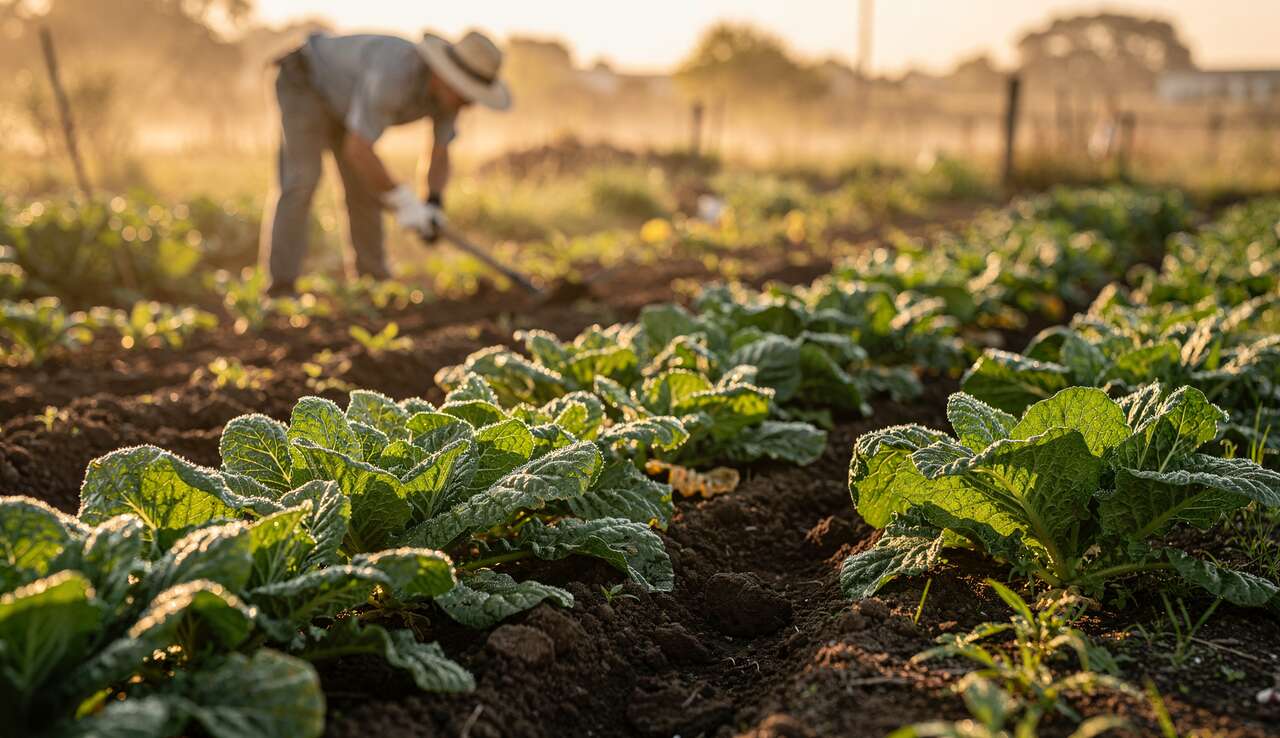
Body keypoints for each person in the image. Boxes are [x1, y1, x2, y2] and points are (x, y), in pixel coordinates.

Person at [260, 29, 512, 296]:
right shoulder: (394, 76)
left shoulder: (449, 101)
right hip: (306, 82)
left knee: (364, 188)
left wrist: (433, 202)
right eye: (465, 94)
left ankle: (372, 282)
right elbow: (359, 149)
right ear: (443, 76)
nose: (469, 104)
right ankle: (281, 287)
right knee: (302, 180)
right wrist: (403, 200)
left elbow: (439, 152)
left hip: (347, 105)